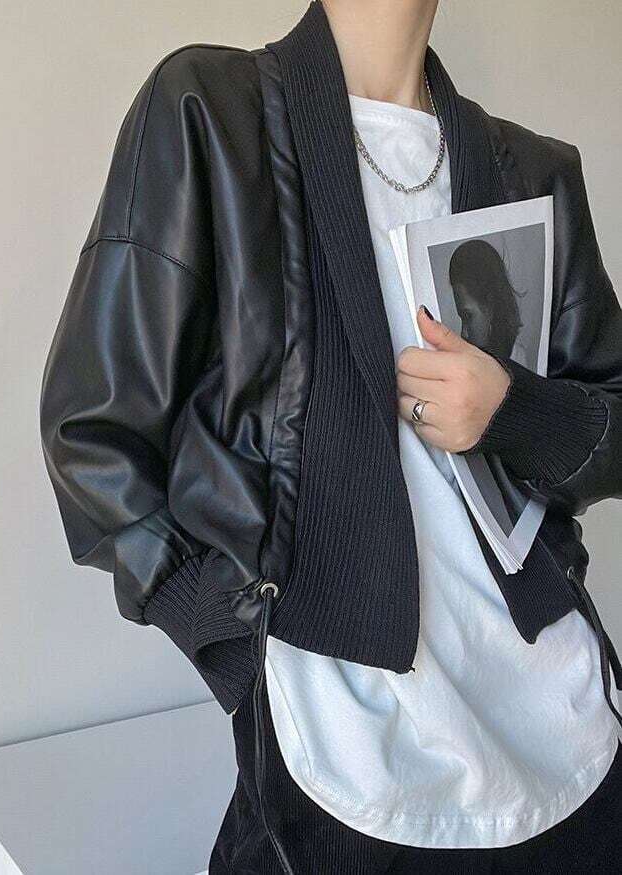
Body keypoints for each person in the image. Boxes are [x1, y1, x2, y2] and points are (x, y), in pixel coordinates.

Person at [40, 1, 622, 871]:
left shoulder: (530, 169)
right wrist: (235, 643)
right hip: (341, 752)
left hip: (563, 726)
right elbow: (92, 427)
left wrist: (514, 410)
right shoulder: (211, 111)